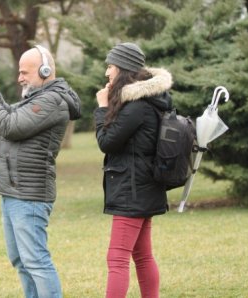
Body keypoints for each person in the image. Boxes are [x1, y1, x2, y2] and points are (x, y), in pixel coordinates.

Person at [0, 45, 81, 298]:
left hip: (29, 194)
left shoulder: (53, 100)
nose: (19, 78)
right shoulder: (37, 97)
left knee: (36, 261)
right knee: (20, 260)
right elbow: (9, 114)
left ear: (45, 70)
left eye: (24, 72)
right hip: (14, 191)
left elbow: (11, 126)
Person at [93, 42, 173, 298]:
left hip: (133, 189)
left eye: (111, 66)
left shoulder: (137, 106)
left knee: (117, 257)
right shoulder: (148, 101)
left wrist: (102, 107)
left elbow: (106, 142)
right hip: (143, 186)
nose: (107, 73)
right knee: (142, 254)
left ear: (124, 70)